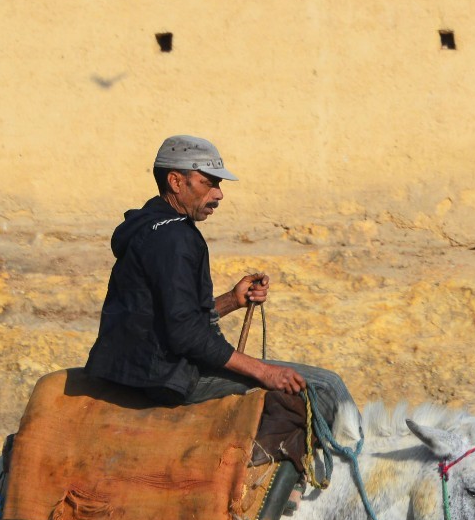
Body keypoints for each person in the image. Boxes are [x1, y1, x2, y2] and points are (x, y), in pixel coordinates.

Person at [84, 132, 354, 427]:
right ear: (176, 181)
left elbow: (164, 317)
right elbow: (186, 334)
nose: (218, 194)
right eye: (208, 183)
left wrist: (231, 301)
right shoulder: (177, 238)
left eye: (219, 185)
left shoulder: (147, 227)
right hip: (163, 376)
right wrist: (264, 372)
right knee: (326, 388)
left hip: (136, 367)